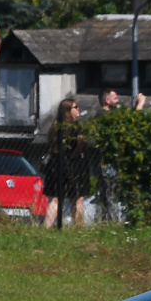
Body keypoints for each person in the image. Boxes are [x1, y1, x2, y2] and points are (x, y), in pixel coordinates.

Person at [43, 97, 91, 228]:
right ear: (68, 111)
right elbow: (78, 148)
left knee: (57, 199)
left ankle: (46, 227)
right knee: (77, 199)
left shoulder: (55, 128)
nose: (78, 110)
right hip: (74, 166)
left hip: (56, 166)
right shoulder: (75, 128)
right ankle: (79, 229)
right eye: (75, 108)